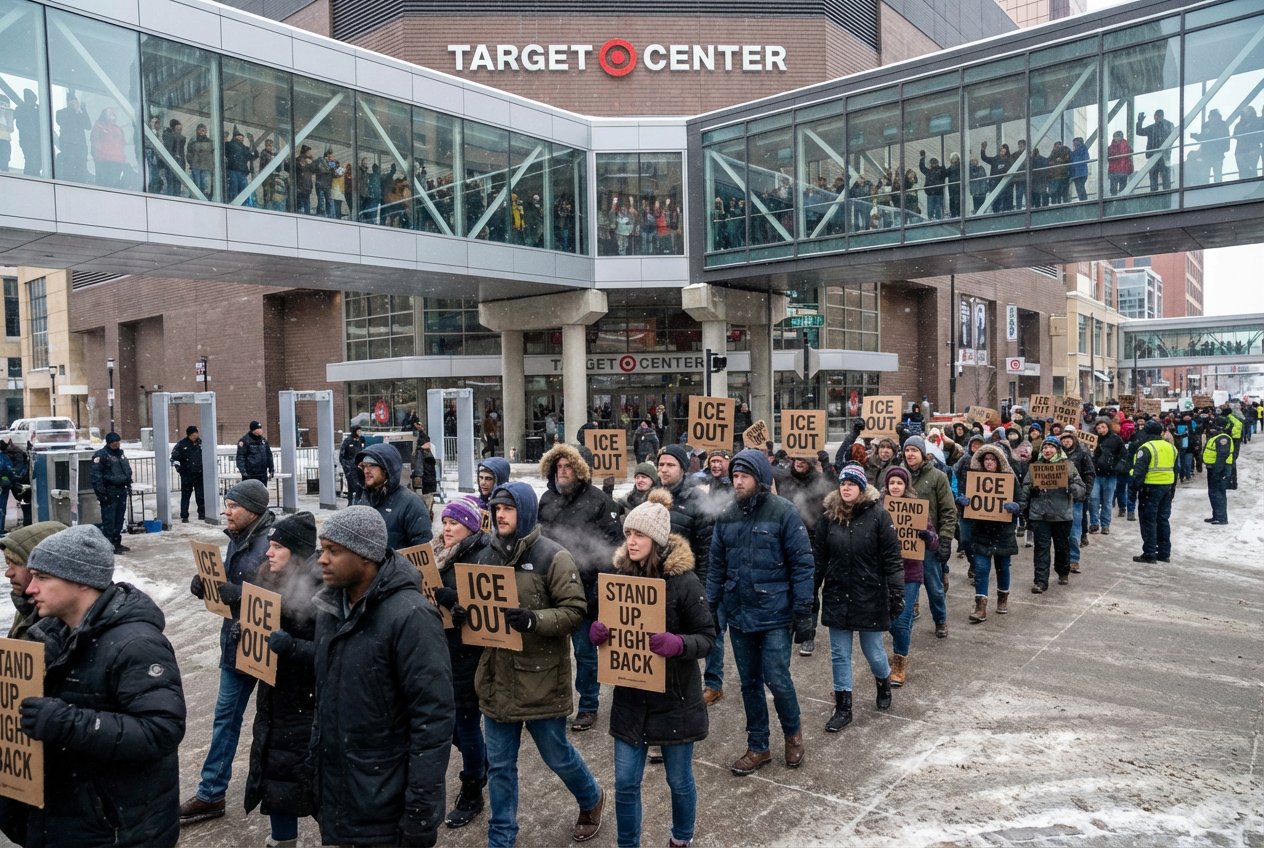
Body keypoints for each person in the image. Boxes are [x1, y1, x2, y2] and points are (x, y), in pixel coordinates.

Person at [0, 525, 185, 847]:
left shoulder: (136, 645)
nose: (31, 588)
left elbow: (161, 731)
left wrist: (66, 722)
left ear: (81, 580)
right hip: (66, 817)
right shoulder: (51, 633)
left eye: (42, 577)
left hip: (115, 830)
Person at [310, 506, 453, 848]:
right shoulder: (331, 609)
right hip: (343, 796)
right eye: (322, 549)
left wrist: (420, 813)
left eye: (333, 551)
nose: (321, 560)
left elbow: (433, 721)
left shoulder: (412, 617)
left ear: (366, 556)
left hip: (386, 803)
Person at [473, 481, 606, 846]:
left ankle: (592, 798)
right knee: (500, 766)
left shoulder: (553, 557)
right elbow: (479, 611)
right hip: (498, 678)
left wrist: (534, 619)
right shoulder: (485, 556)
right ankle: (501, 837)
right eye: (496, 509)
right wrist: (464, 611)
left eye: (508, 509)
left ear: (526, 512)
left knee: (557, 755)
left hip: (540, 677)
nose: (500, 515)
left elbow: (575, 612)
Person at [587, 489, 714, 848]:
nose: (631, 541)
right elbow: (607, 624)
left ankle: (681, 839)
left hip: (675, 699)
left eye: (639, 534)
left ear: (656, 540)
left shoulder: (685, 583)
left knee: (679, 781)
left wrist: (679, 644)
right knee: (626, 784)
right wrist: (599, 634)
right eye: (628, 533)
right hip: (630, 699)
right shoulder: (618, 579)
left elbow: (708, 637)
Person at [707, 448, 814, 775]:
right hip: (739, 613)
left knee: (777, 679)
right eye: (735, 476)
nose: (738, 482)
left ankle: (793, 735)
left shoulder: (784, 512)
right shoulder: (726, 515)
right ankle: (758, 746)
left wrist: (804, 611)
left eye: (744, 476)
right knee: (749, 684)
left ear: (760, 479)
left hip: (776, 614)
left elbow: (802, 564)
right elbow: (716, 567)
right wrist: (710, 607)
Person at [181, 479, 275, 824]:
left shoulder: (272, 542)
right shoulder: (239, 537)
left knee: (283, 723)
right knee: (226, 717)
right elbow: (230, 582)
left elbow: (286, 597)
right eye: (227, 504)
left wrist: (239, 594)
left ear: (253, 510)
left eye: (234, 506)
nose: (227, 511)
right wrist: (206, 586)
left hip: (270, 648)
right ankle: (211, 793)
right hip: (238, 644)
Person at [243, 512, 323, 848]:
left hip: (308, 702)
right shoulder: (268, 578)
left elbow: (332, 652)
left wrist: (292, 648)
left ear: (298, 553)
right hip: (275, 696)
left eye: (277, 546)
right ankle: (283, 840)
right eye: (269, 545)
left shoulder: (322, 588)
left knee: (317, 779)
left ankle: (336, 839)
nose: (268, 552)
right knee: (277, 773)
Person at [536, 444, 623, 732]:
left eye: (568, 467)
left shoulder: (600, 502)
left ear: (581, 470)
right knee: (549, 651)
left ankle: (588, 705)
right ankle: (550, 703)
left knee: (585, 653)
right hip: (550, 588)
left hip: (586, 589)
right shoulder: (547, 498)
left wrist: (598, 595)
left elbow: (613, 551)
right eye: (558, 467)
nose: (562, 472)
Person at [812, 463, 903, 732]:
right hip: (837, 594)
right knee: (839, 654)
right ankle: (843, 708)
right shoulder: (828, 518)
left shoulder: (879, 516)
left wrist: (896, 592)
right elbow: (819, 559)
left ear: (861, 487)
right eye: (843, 483)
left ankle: (883, 682)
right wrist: (810, 594)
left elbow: (892, 559)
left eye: (852, 483)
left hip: (869, 595)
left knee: (873, 651)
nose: (846, 488)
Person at [429, 498, 492, 829]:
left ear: (470, 527)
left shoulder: (483, 555)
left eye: (454, 522)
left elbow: (489, 609)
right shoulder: (437, 553)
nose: (447, 528)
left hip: (470, 654)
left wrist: (458, 603)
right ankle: (482, 762)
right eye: (445, 522)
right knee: (452, 723)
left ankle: (472, 790)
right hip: (441, 651)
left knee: (466, 723)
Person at [655, 445, 722, 703]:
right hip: (659, 583)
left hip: (690, 582)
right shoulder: (651, 497)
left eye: (670, 465)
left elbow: (706, 547)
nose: (664, 469)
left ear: (683, 469)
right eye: (661, 464)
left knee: (705, 632)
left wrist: (704, 586)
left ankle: (713, 682)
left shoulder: (697, 500)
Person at [774, 454, 835, 657]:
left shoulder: (820, 481)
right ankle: (789, 626)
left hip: (813, 541)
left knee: (810, 589)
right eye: (796, 458)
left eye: (803, 459)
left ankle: (808, 634)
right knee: (786, 586)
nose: (799, 462)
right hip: (787, 539)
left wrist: (826, 464)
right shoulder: (784, 478)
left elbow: (835, 489)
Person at [880, 468, 935, 688]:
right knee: (887, 621)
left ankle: (899, 663)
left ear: (906, 486)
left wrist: (928, 537)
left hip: (910, 574)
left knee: (901, 622)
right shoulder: (878, 508)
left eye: (899, 483)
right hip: (884, 572)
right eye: (892, 482)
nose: (895, 486)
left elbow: (934, 542)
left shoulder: (917, 509)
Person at [900, 436, 956, 638]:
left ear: (923, 454)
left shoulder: (937, 477)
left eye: (914, 450)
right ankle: (904, 620)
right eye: (907, 450)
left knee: (934, 587)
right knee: (904, 586)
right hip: (904, 543)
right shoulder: (899, 475)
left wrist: (945, 539)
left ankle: (940, 620)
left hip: (929, 543)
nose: (910, 454)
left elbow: (949, 510)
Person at [960, 445, 1021, 623]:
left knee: (1003, 567)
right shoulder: (974, 479)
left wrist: (1016, 508)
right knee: (981, 569)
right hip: (981, 531)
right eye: (986, 459)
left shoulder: (1010, 479)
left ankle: (1002, 598)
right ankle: (980, 607)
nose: (989, 462)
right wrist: (963, 503)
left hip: (1003, 531)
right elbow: (966, 501)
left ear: (999, 461)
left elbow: (1021, 501)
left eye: (992, 459)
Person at [1020, 436, 1086, 592]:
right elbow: (1025, 488)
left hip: (1061, 515)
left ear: (1057, 450)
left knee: (1062, 547)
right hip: (1040, 514)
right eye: (1045, 447)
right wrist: (1022, 506)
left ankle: (1063, 572)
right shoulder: (1036, 467)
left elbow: (1081, 489)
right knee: (1041, 549)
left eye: (1051, 447)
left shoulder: (1067, 466)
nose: (1047, 450)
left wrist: (1070, 486)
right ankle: (1040, 581)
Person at [355, 442, 433, 548]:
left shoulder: (411, 503)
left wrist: (394, 558)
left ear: (387, 469)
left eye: (372, 465)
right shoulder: (363, 500)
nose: (366, 471)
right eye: (364, 466)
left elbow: (422, 549)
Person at [2, 521, 67, 639]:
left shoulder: (64, 622)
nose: (8, 573)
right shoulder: (25, 606)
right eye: (8, 564)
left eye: (17, 563)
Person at [1128, 420, 1177, 564]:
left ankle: (1149, 553)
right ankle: (1164, 552)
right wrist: (1172, 488)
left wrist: (1132, 492)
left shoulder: (1146, 448)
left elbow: (1138, 473)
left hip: (1150, 489)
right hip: (1166, 487)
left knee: (1148, 521)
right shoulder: (1171, 447)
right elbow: (1176, 469)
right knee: (1162, 520)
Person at [1059, 427, 1095, 572]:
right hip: (1059, 498)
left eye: (1068, 439)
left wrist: (1085, 492)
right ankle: (1062, 560)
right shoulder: (1056, 454)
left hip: (1076, 498)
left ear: (1073, 440)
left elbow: (1089, 473)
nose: (1066, 442)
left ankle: (1074, 559)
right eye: (1063, 440)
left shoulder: (1083, 453)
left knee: (1074, 531)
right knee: (1061, 533)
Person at [90, 431, 132, 554]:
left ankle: (116, 542)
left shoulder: (120, 454)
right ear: (108, 443)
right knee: (109, 520)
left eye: (118, 442)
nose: (116, 444)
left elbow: (126, 469)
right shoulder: (101, 455)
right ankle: (108, 544)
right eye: (114, 442)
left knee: (119, 519)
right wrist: (101, 492)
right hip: (109, 491)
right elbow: (96, 476)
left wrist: (128, 481)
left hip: (121, 490)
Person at [1089, 417, 1127, 535]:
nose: (1101, 430)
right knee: (1093, 499)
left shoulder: (1116, 439)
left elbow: (1124, 454)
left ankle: (1105, 525)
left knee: (1107, 501)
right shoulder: (1093, 440)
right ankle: (1094, 523)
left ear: (1108, 427)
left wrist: (1119, 466)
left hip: (1110, 475)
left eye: (1103, 427)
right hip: (1096, 474)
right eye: (1099, 428)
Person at [171, 425, 206, 522]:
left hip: (199, 475)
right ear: (191, 434)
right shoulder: (181, 445)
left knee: (201, 496)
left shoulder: (200, 444)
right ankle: (184, 516)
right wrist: (181, 470)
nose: (198, 434)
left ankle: (202, 514)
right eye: (196, 432)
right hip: (187, 475)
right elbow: (174, 459)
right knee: (186, 496)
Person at [1203, 417, 1234, 525]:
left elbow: (1222, 456)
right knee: (1213, 493)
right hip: (1214, 468)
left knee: (1218, 493)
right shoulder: (1217, 436)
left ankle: (1221, 518)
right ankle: (1216, 515)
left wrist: (1217, 472)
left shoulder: (1223, 438)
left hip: (1220, 469)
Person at [1136, 110, 1175, 192]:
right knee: (1154, 178)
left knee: (1164, 178)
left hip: (1162, 156)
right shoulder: (1153, 128)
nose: (1156, 117)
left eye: (1158, 116)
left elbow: (1173, 133)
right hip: (1155, 156)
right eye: (1155, 116)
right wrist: (1139, 121)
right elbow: (1139, 132)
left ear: (1162, 116)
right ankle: (1158, 194)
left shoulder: (1166, 125)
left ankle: (1165, 195)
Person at [91, 107, 127, 188]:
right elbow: (94, 142)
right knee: (104, 185)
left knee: (114, 184)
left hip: (117, 161)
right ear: (104, 115)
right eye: (110, 113)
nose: (113, 114)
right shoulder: (99, 126)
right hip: (103, 160)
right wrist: (97, 155)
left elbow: (122, 144)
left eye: (113, 113)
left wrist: (123, 159)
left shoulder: (118, 129)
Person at [236, 420, 274, 485]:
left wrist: (271, 468)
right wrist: (243, 470)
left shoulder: (263, 441)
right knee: (250, 490)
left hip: (262, 473)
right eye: (258, 428)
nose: (260, 430)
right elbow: (240, 456)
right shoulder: (245, 441)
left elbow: (268, 455)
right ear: (253, 430)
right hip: (250, 474)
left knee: (262, 490)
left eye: (260, 428)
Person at [338, 424, 366, 506]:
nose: (360, 433)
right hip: (351, 468)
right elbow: (341, 456)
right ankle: (351, 502)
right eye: (358, 431)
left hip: (360, 468)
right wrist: (347, 467)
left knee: (360, 486)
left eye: (360, 431)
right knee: (352, 486)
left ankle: (359, 502)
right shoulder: (347, 441)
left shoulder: (361, 440)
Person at [1107, 130, 1133, 195]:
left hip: (1114, 170)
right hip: (1123, 170)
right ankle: (1122, 199)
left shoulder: (1113, 147)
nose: (1114, 138)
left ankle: (1114, 200)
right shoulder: (1126, 145)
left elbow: (1109, 155)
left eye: (1115, 136)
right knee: (1122, 189)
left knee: (1113, 190)